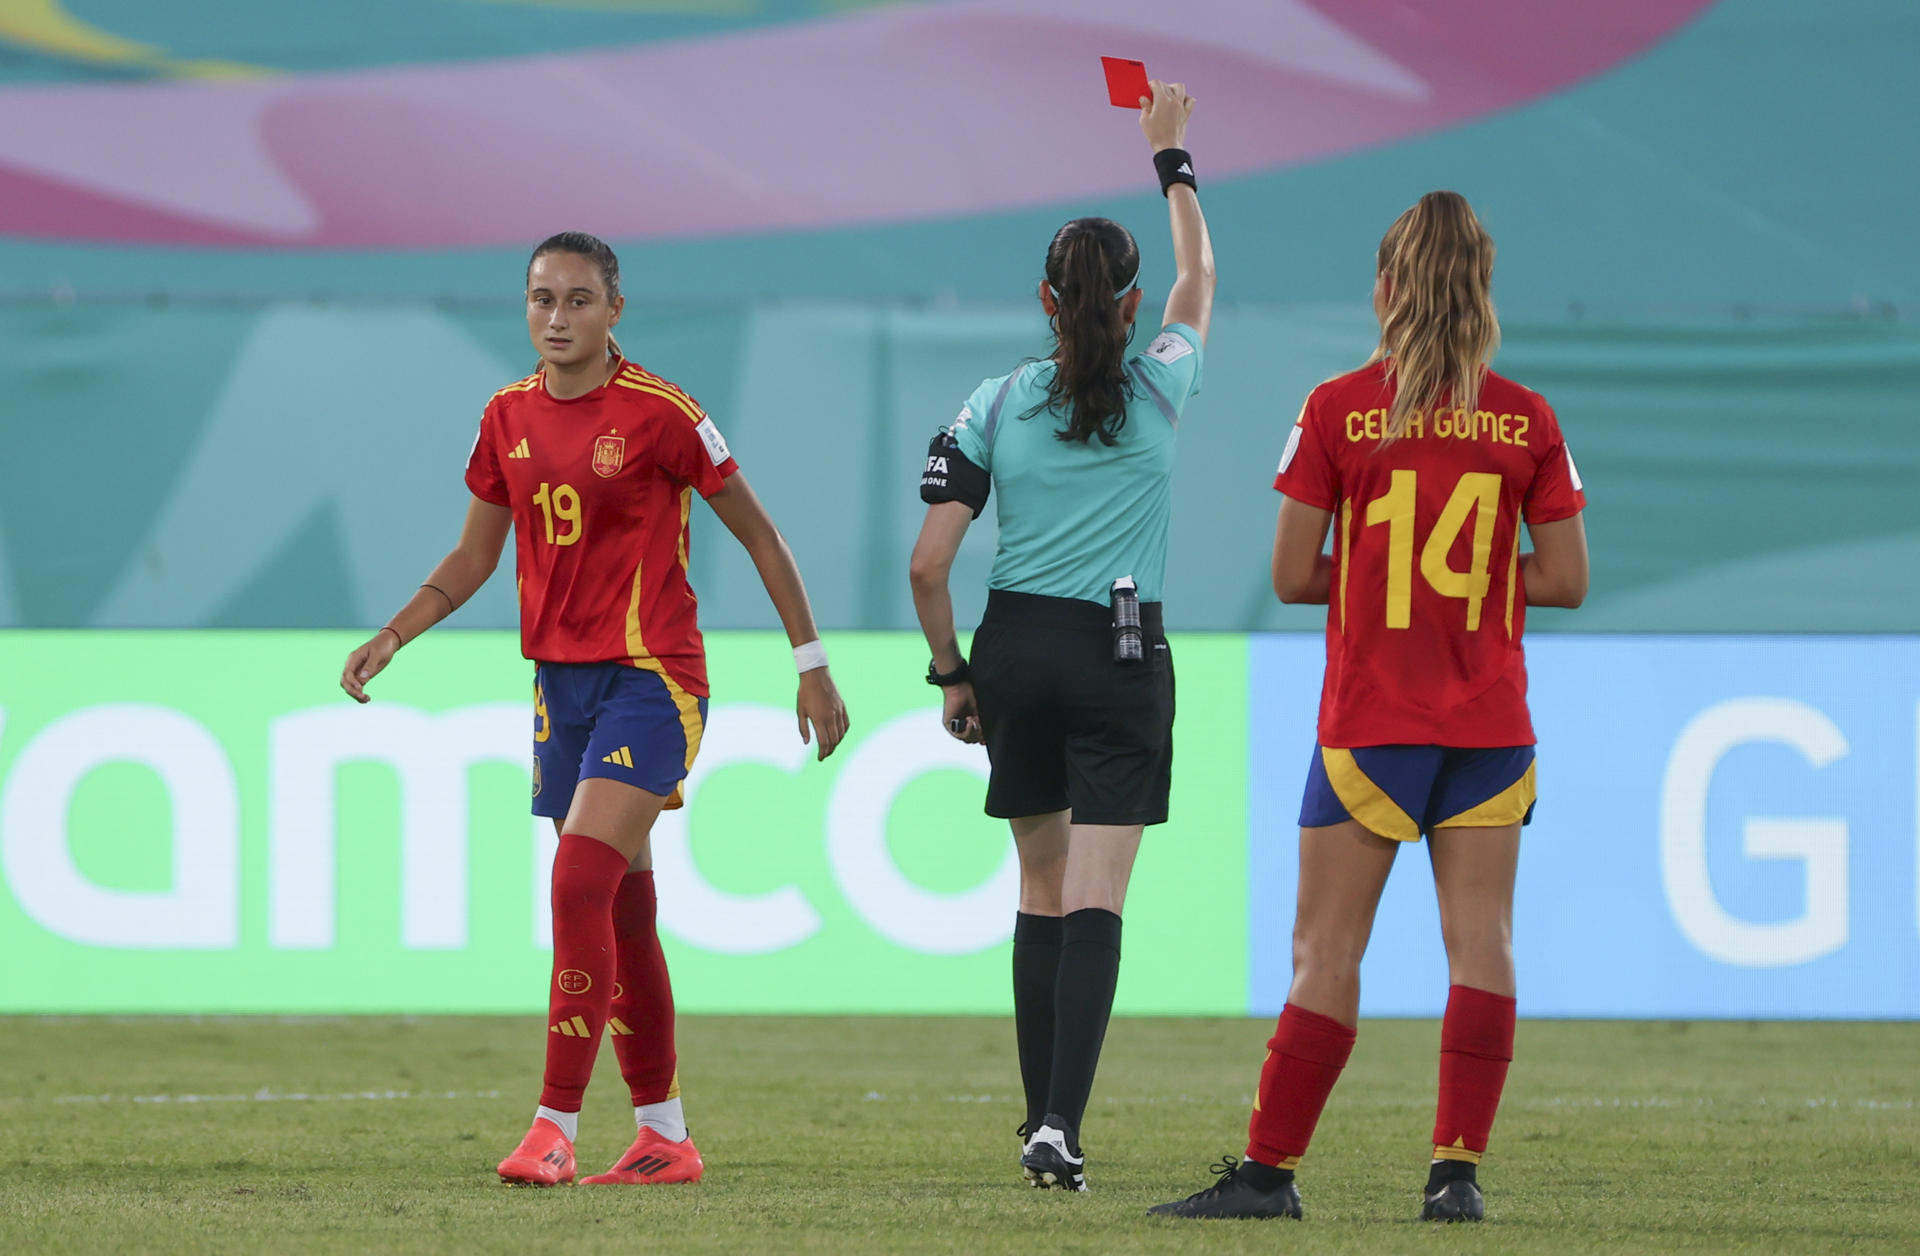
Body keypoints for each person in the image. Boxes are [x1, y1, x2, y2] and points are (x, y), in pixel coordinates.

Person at [338, 231, 849, 1188]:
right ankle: (664, 1135)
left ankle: (553, 1127)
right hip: (560, 686)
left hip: (653, 679)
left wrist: (810, 663)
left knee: (578, 883)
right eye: (541, 300)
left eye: (577, 300)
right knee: (622, 908)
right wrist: (395, 634)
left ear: (616, 309)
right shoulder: (504, 416)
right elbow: (473, 557)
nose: (557, 318)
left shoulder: (663, 414)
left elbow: (761, 535)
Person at [1150, 191, 1589, 1222]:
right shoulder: (1528, 417)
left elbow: (1296, 573)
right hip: (1490, 725)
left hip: (1372, 723)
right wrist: (1470, 578)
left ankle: (1267, 1173)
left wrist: (1392, 569)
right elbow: (1565, 578)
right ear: (1480, 289)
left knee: (1325, 952)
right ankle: (1455, 1176)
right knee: (1483, 944)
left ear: (1388, 286)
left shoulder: (1339, 405)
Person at [908, 80, 1215, 1193]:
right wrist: (1170, 156)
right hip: (1124, 648)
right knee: (1098, 895)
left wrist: (954, 672)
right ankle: (1059, 1126)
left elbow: (927, 564)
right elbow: (1203, 279)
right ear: (1132, 308)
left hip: (1018, 649)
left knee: (1038, 887)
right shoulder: (1163, 386)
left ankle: (1038, 1120)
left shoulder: (993, 400)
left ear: (1044, 298)